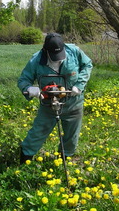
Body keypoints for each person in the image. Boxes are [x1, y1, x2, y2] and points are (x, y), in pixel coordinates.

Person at [17, 33, 93, 164]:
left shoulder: (74, 51)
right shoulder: (36, 61)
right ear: (45, 51)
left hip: (73, 103)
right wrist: (29, 89)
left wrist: (79, 85)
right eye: (54, 57)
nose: (57, 59)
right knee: (37, 133)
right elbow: (23, 80)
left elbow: (88, 65)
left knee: (72, 136)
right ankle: (25, 159)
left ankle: (64, 159)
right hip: (48, 106)